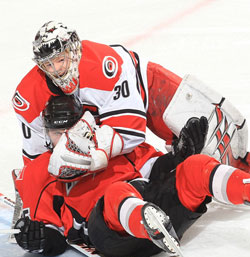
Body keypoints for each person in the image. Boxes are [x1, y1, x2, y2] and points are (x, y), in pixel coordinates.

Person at [13, 95, 250, 257]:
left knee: (197, 166)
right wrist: (39, 240)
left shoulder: (109, 142)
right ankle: (145, 221)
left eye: (71, 128)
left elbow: (155, 170)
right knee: (116, 193)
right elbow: (50, 232)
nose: (65, 138)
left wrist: (180, 156)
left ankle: (246, 189)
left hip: (159, 209)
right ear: (46, 134)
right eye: (57, 133)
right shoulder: (41, 170)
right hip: (110, 233)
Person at [12, 21, 250, 173]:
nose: (56, 70)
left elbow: (131, 132)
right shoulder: (29, 94)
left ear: (74, 51)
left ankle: (243, 172)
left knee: (209, 138)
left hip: (147, 87)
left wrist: (86, 150)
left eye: (60, 60)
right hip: (102, 121)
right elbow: (35, 157)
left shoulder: (105, 66)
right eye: (48, 64)